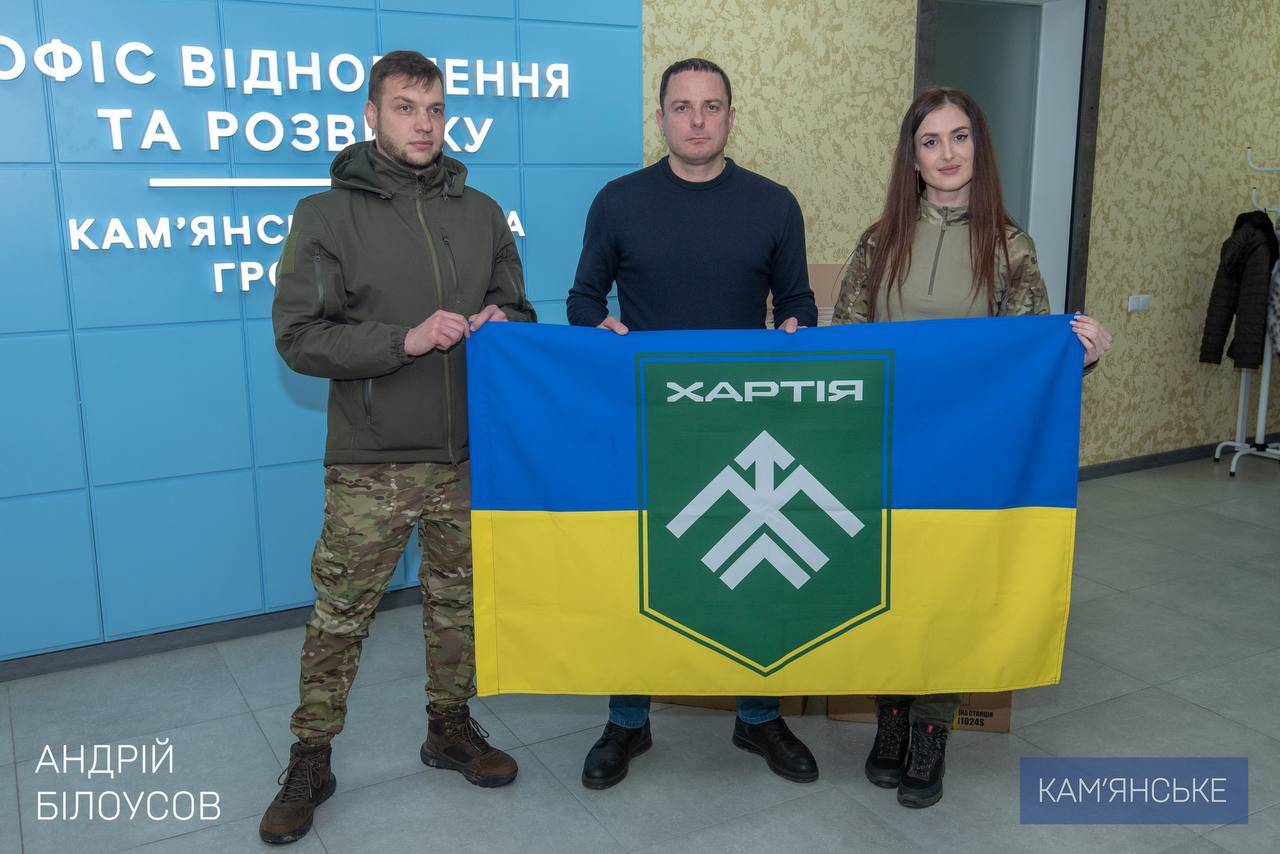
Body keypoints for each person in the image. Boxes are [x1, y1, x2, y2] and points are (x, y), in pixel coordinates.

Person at [260, 50, 535, 845]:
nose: (424, 123)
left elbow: (518, 308)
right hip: (372, 461)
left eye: (435, 109)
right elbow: (299, 337)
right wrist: (403, 340)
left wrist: (504, 323)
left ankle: (450, 729)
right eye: (407, 107)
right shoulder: (324, 215)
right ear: (372, 115)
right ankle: (310, 758)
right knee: (341, 614)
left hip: (468, 456)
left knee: (458, 606)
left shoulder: (481, 212)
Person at [832, 87, 1111, 809]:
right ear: (912, 158)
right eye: (931, 141)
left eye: (960, 137)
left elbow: (1027, 357)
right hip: (885, 452)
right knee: (889, 592)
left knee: (948, 597)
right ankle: (890, 719)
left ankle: (931, 732)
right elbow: (844, 347)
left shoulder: (1011, 247)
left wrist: (1079, 355)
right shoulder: (877, 242)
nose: (948, 153)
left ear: (979, 149)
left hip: (968, 459)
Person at [567, 57, 820, 790]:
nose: (698, 120)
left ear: (732, 117)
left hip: (749, 424)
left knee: (753, 570)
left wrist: (798, 326)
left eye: (712, 106)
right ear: (661, 119)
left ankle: (759, 714)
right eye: (682, 107)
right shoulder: (618, 201)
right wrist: (599, 329)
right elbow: (583, 299)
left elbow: (797, 300)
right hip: (650, 420)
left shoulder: (774, 204)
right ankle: (627, 719)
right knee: (641, 570)